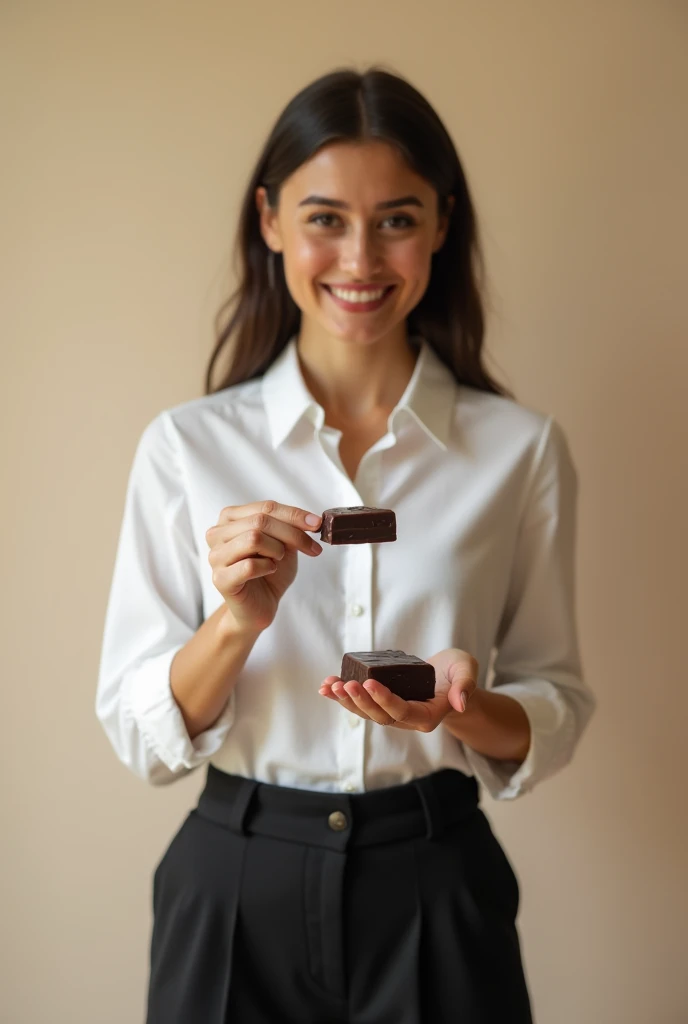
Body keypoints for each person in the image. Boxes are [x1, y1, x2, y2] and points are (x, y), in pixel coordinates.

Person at [96, 66, 596, 1024]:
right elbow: (139, 737)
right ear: (270, 220)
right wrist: (237, 623)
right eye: (324, 217)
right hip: (234, 882)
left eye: (397, 218)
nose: (361, 258)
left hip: (436, 883)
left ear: (442, 224)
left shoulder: (520, 451)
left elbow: (554, 703)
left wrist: (462, 704)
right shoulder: (185, 447)